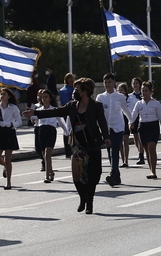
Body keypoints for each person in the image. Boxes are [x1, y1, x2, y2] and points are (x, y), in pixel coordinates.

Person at [26, 77, 109, 214]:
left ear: (85, 91)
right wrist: (35, 113)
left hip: (92, 143)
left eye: (76, 90)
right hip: (77, 145)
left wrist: (106, 137)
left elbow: (102, 122)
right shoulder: (72, 105)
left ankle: (89, 202)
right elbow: (55, 111)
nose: (73, 92)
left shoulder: (96, 106)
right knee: (76, 176)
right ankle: (83, 197)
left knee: (93, 176)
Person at [97, 73, 132, 187]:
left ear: (114, 83)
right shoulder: (100, 97)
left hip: (117, 127)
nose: (108, 84)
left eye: (110, 82)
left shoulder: (120, 97)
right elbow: (98, 114)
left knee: (114, 151)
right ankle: (117, 177)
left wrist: (131, 121)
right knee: (109, 152)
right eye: (106, 82)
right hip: (106, 129)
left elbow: (126, 110)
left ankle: (112, 174)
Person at [131, 81, 161, 179]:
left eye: (146, 91)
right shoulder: (139, 103)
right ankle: (151, 169)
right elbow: (133, 115)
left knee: (152, 148)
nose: (144, 93)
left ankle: (154, 171)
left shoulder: (156, 103)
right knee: (146, 150)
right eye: (143, 91)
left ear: (151, 92)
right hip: (143, 127)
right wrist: (130, 123)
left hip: (153, 126)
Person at [30, 89, 65, 183]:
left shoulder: (54, 109)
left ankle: (47, 176)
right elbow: (33, 117)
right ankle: (51, 171)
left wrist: (67, 131)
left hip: (51, 131)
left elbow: (61, 121)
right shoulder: (39, 110)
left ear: (50, 98)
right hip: (42, 131)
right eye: (42, 97)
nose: (44, 99)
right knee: (44, 154)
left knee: (47, 153)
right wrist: (31, 116)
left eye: (46, 97)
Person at [0, 88, 22, 189]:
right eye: (1, 94)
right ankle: (5, 165)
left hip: (9, 131)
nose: (2, 96)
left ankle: (8, 182)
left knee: (8, 158)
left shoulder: (13, 108)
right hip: (0, 131)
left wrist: (10, 124)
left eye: (4, 94)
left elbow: (19, 121)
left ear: (8, 96)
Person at [128, 77, 145, 165]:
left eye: (137, 83)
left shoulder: (144, 95)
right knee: (135, 138)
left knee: (141, 137)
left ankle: (142, 155)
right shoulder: (130, 96)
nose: (135, 85)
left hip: (142, 117)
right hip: (134, 118)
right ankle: (140, 152)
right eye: (133, 83)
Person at [58, 73, 75, 159]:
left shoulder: (61, 90)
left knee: (65, 131)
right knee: (71, 130)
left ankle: (67, 151)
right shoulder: (72, 90)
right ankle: (72, 148)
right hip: (70, 111)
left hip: (63, 111)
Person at [117, 82, 132, 167]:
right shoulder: (117, 99)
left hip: (126, 121)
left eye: (121, 90)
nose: (120, 92)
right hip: (119, 121)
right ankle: (123, 160)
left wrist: (131, 121)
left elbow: (129, 110)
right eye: (119, 91)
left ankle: (126, 160)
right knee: (120, 143)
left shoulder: (129, 99)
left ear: (125, 91)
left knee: (125, 141)